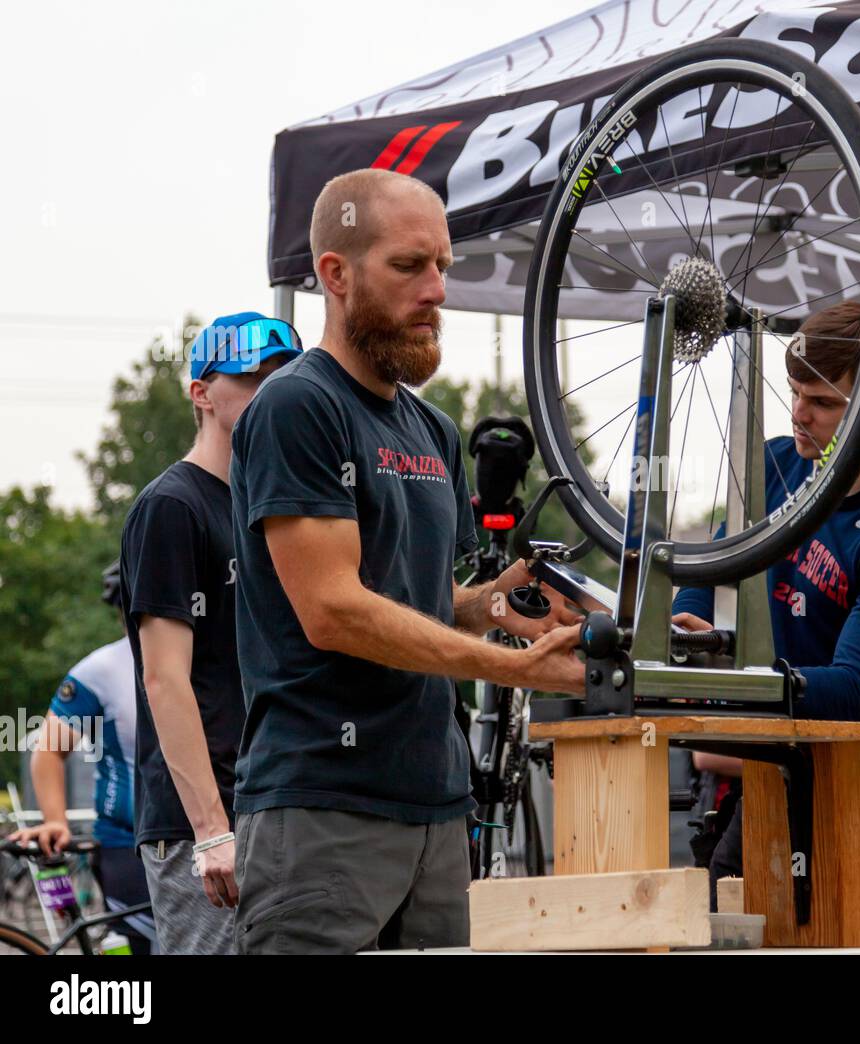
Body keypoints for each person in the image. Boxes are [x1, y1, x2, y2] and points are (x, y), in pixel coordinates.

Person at [228, 168, 585, 954]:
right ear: (335, 274)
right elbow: (334, 611)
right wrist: (515, 670)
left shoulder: (433, 431)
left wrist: (503, 604)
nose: (436, 291)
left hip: (435, 805)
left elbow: (418, 599)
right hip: (324, 807)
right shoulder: (297, 406)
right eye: (408, 266)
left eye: (443, 267)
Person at [672, 301, 860, 897]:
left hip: (855, 796)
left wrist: (747, 677)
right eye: (795, 392)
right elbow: (713, 575)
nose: (800, 414)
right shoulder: (776, 466)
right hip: (769, 774)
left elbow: (857, 693)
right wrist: (677, 632)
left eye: (824, 402)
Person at [119, 312, 302, 954]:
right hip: (205, 824)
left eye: (282, 379)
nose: (268, 393)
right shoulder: (172, 506)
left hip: (274, 807)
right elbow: (164, 678)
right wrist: (210, 830)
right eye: (250, 379)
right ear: (201, 393)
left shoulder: (271, 508)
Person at [6, 562, 154, 954]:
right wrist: (56, 820)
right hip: (128, 844)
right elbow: (49, 748)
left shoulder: (209, 657)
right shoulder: (101, 670)